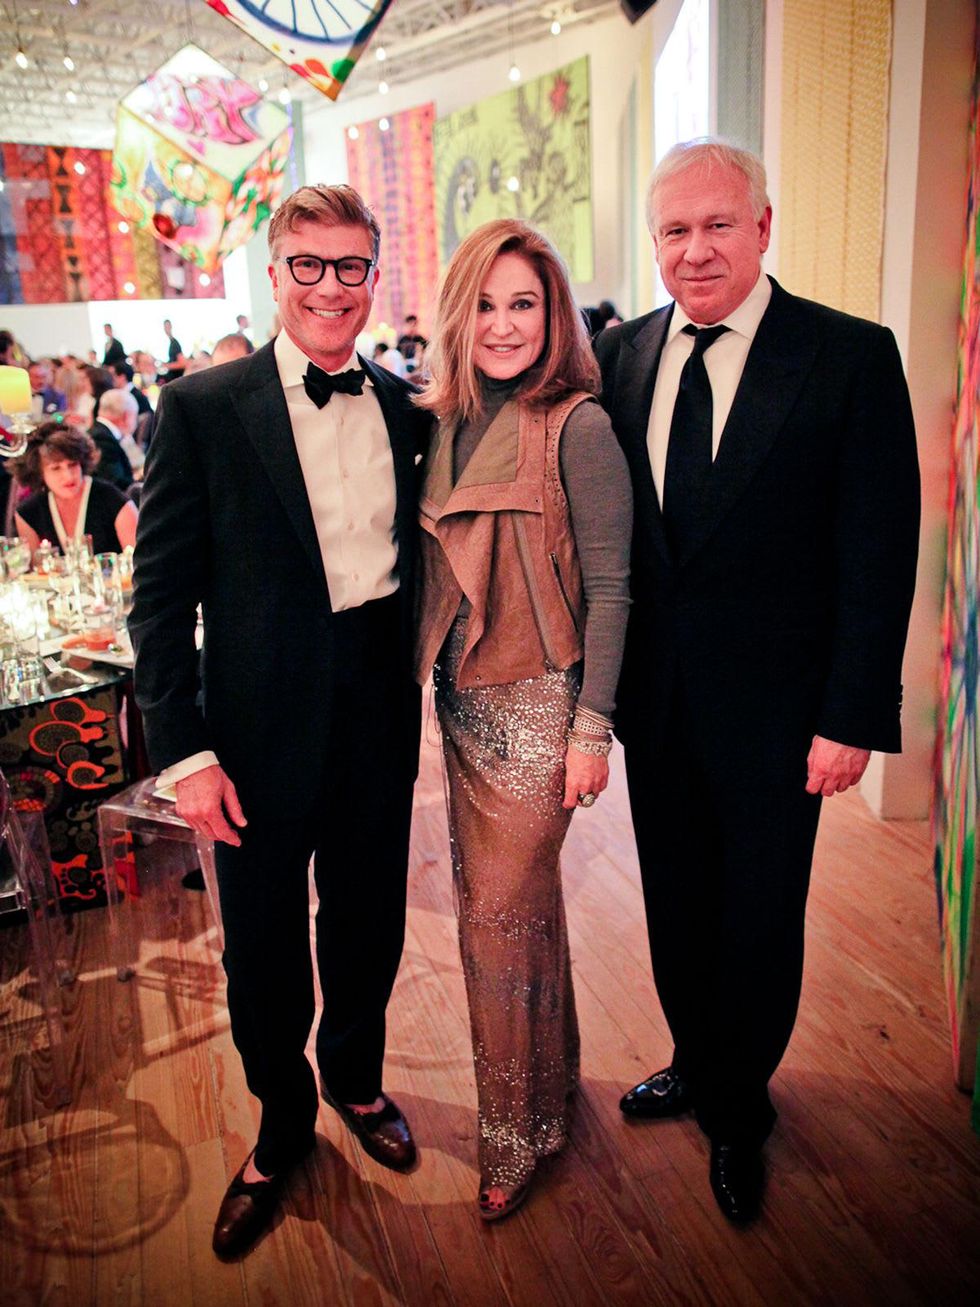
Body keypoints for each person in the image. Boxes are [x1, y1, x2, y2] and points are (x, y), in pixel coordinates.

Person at [595, 139, 920, 1224]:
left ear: (762, 224)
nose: (694, 250)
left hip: (782, 718)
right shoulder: (621, 353)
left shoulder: (846, 357)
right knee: (676, 901)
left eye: (716, 225)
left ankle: (740, 1105)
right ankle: (693, 1055)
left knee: (758, 914)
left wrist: (849, 714)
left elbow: (878, 553)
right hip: (657, 703)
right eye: (673, 231)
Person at [129, 183, 430, 1260]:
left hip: (375, 712)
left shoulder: (406, 411)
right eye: (308, 264)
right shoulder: (204, 408)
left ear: (371, 274)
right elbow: (158, 598)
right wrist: (184, 753)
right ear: (274, 273)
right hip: (248, 727)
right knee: (260, 946)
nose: (330, 287)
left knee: (366, 919)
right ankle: (281, 1119)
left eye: (350, 265)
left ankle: (352, 1076)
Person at [414, 219, 632, 1220]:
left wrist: (591, 729)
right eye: (486, 303)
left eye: (524, 303)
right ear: (459, 315)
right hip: (460, 700)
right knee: (510, 913)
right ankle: (549, 1092)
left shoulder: (575, 422)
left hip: (539, 707)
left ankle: (511, 1136)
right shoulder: (445, 420)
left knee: (499, 917)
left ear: (553, 314)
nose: (504, 324)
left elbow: (613, 585)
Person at [13, 421, 137, 554]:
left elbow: (140, 563)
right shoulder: (28, 513)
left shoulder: (114, 501)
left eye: (72, 465)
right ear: (39, 472)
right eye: (56, 468)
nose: (68, 476)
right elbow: (33, 572)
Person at [90, 388, 139, 490]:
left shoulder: (100, 432)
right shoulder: (102, 439)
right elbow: (115, 482)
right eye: (135, 417)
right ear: (126, 416)